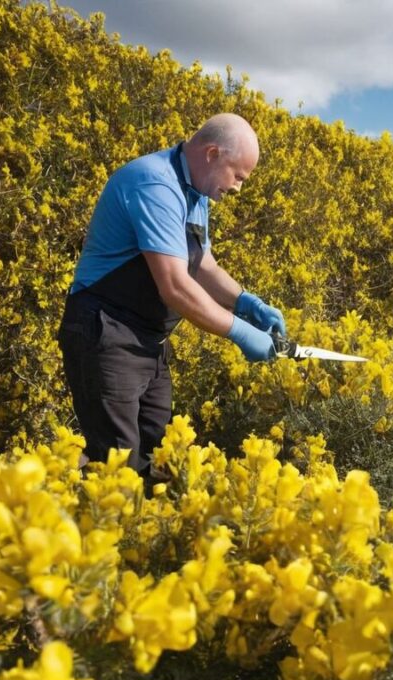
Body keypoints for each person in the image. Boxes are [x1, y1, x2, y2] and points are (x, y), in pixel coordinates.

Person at [57, 113, 286, 485]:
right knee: (117, 465)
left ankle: (143, 536)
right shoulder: (156, 183)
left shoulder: (196, 192)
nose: (239, 188)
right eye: (238, 176)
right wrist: (241, 334)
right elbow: (176, 287)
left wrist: (247, 302)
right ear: (212, 154)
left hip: (149, 342)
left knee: (158, 456)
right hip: (107, 333)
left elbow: (203, 264)